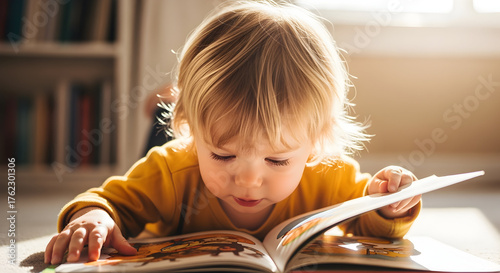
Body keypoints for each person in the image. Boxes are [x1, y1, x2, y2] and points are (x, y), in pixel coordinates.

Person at [45, 0, 421, 265]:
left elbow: (368, 220)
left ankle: (175, 104)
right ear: (193, 133)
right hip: (178, 139)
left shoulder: (328, 173)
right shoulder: (173, 172)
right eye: (223, 155)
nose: (247, 178)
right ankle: (169, 105)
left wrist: (387, 204)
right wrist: (94, 217)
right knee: (161, 138)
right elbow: (108, 200)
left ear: (315, 143)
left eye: (277, 159)